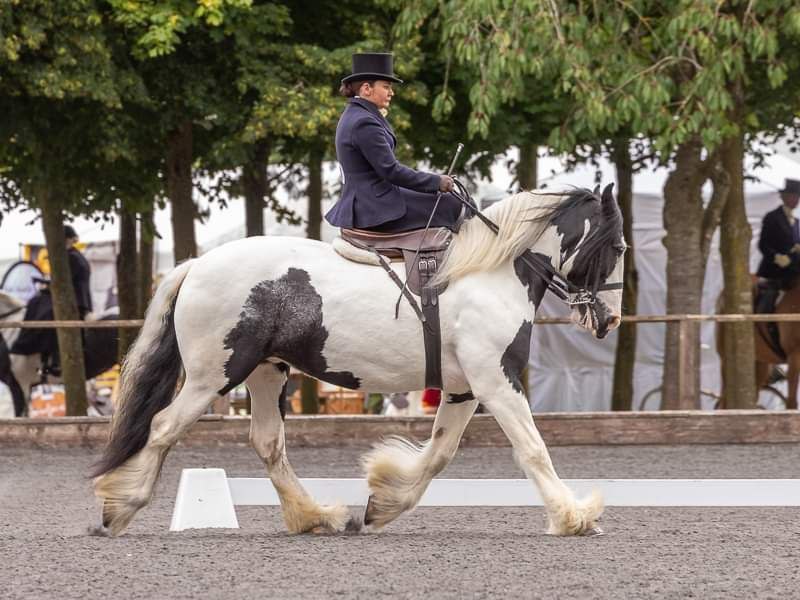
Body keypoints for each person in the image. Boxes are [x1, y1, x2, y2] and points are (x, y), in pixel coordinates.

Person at [325, 52, 464, 233]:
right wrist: (435, 181)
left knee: (449, 200)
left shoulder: (356, 114)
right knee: (453, 204)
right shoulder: (363, 122)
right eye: (386, 86)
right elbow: (391, 170)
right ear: (367, 88)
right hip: (374, 205)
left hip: (372, 197)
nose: (392, 92)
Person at [10, 225, 93, 372]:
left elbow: (63, 283)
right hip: (77, 298)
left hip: (75, 301)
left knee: (39, 306)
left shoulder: (71, 257)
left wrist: (44, 283)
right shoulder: (76, 255)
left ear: (65, 240)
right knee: (38, 303)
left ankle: (52, 358)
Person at [756, 178, 800, 314]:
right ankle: (765, 322)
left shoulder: (797, 222)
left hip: (794, 267)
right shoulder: (772, 217)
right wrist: (777, 257)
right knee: (771, 294)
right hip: (775, 269)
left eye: (798, 197)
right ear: (784, 197)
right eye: (793, 196)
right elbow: (763, 244)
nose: (796, 200)